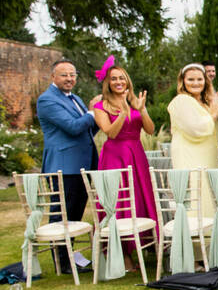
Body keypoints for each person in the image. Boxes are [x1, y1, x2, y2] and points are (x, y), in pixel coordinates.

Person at [90, 60, 158, 272]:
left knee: (140, 198)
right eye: (114, 79)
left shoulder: (135, 101)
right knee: (119, 202)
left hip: (136, 154)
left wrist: (142, 109)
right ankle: (122, 254)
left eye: (121, 78)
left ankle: (144, 247)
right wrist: (122, 112)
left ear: (127, 80)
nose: (118, 82)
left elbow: (150, 130)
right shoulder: (100, 106)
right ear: (108, 84)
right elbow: (110, 132)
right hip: (115, 156)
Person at [36, 59, 98, 274]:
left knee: (75, 213)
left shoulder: (76, 98)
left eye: (73, 74)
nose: (70, 78)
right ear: (53, 76)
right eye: (64, 75)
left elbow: (87, 131)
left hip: (82, 163)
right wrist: (92, 113)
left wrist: (99, 117)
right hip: (64, 165)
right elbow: (73, 127)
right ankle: (62, 261)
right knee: (61, 214)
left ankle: (71, 254)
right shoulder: (47, 101)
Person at [167, 63, 218, 215]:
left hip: (208, 157)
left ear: (206, 81)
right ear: (183, 81)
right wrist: (213, 114)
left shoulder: (207, 104)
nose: (195, 83)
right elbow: (195, 129)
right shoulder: (180, 101)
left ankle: (212, 234)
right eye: (190, 79)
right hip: (189, 157)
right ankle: (195, 234)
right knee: (195, 194)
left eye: (199, 79)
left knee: (210, 194)